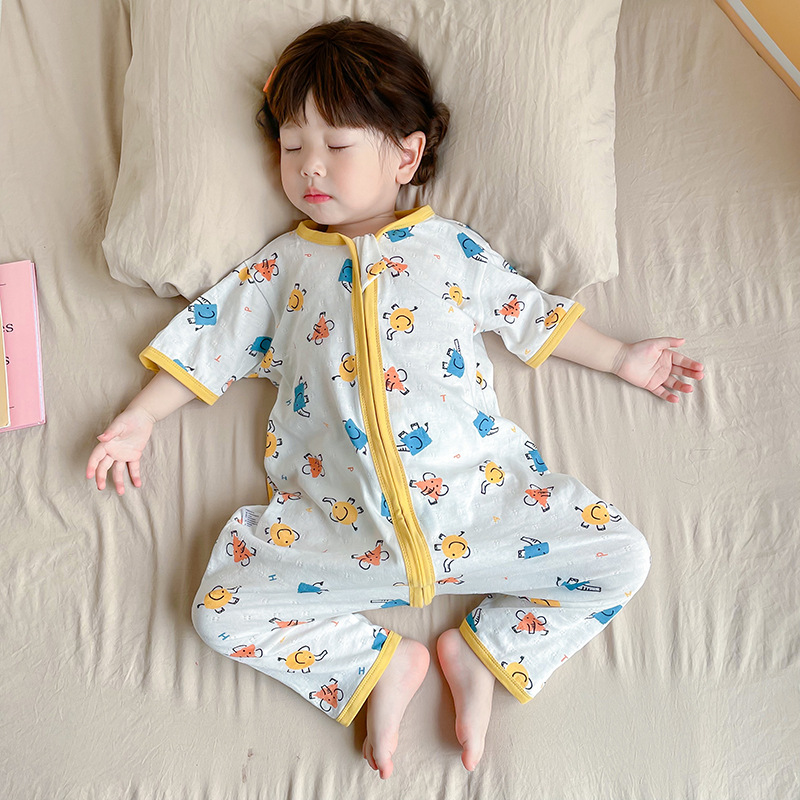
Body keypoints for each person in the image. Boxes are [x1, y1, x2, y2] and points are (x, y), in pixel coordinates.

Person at [86, 17, 704, 780]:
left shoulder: (450, 249)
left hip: (480, 508)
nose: (310, 167)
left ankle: (482, 652)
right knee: (220, 610)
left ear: (406, 155)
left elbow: (531, 315)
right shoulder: (281, 268)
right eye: (291, 146)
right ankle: (376, 667)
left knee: (622, 557)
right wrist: (140, 418)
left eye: (338, 146)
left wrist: (621, 358)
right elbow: (206, 345)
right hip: (340, 528)